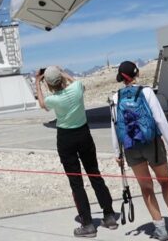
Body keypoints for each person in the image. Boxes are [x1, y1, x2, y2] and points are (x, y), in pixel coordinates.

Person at [37, 65, 119, 238]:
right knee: (95, 175)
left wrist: (38, 82)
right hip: (84, 134)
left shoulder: (54, 99)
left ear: (49, 84)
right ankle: (109, 215)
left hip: (66, 138)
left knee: (76, 182)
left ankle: (88, 224)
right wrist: (63, 72)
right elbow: (78, 84)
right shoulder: (76, 88)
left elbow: (43, 104)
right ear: (62, 77)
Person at [111, 61, 168, 240]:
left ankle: (160, 228)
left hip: (131, 147)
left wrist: (117, 152)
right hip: (152, 143)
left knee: (146, 187)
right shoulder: (146, 92)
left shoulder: (116, 97)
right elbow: (160, 119)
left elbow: (114, 126)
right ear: (136, 74)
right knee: (165, 181)